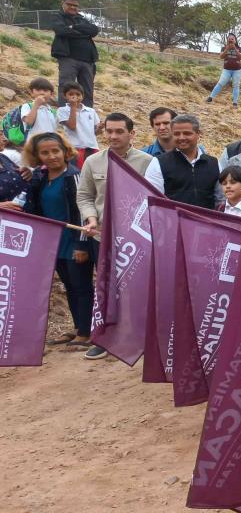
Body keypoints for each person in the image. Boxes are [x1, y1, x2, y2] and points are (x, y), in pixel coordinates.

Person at [77, 112, 161, 359]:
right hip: (101, 238)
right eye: (109, 131)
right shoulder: (93, 162)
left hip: (138, 240)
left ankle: (142, 336)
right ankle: (106, 338)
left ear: (132, 133)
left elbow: (154, 199)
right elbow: (85, 196)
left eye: (119, 131)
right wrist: (91, 218)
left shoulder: (148, 162)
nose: (113, 136)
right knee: (105, 287)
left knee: (139, 286)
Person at [22, 132, 93, 348]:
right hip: (53, 243)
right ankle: (78, 326)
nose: (51, 156)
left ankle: (87, 331)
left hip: (74, 240)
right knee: (70, 285)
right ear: (37, 156)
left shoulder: (73, 176)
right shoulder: (41, 178)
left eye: (55, 151)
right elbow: (32, 208)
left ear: (65, 151)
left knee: (81, 286)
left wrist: (81, 245)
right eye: (45, 152)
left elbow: (81, 211)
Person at [145, 115, 222, 209]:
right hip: (173, 222)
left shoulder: (213, 163)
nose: (181, 137)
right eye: (177, 134)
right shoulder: (159, 163)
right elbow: (153, 200)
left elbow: (221, 200)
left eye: (187, 133)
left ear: (198, 134)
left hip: (207, 222)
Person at [51, 0, 98, 107]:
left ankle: (87, 115)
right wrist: (84, 33)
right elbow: (61, 31)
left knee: (87, 89)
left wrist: (74, 27)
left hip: (88, 60)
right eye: (69, 4)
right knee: (66, 86)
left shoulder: (82, 19)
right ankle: (64, 114)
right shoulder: (57, 17)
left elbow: (94, 30)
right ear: (63, 4)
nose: (73, 7)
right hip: (68, 58)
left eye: (75, 5)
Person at [56, 82, 100, 168]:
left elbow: (96, 133)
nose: (74, 97)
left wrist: (100, 128)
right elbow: (72, 126)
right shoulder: (62, 110)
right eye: (71, 94)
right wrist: (73, 107)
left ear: (82, 96)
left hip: (91, 147)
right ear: (65, 96)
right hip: (74, 148)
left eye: (78, 94)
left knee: (91, 173)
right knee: (77, 173)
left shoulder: (91, 111)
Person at [206, 33, 241, 107]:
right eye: (229, 39)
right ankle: (210, 97)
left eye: (232, 39)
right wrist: (227, 49)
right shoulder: (224, 48)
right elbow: (221, 56)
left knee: (236, 85)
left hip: (237, 70)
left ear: (235, 41)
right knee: (220, 83)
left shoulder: (239, 49)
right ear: (227, 40)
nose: (230, 40)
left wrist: (235, 49)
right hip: (226, 70)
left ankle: (235, 103)